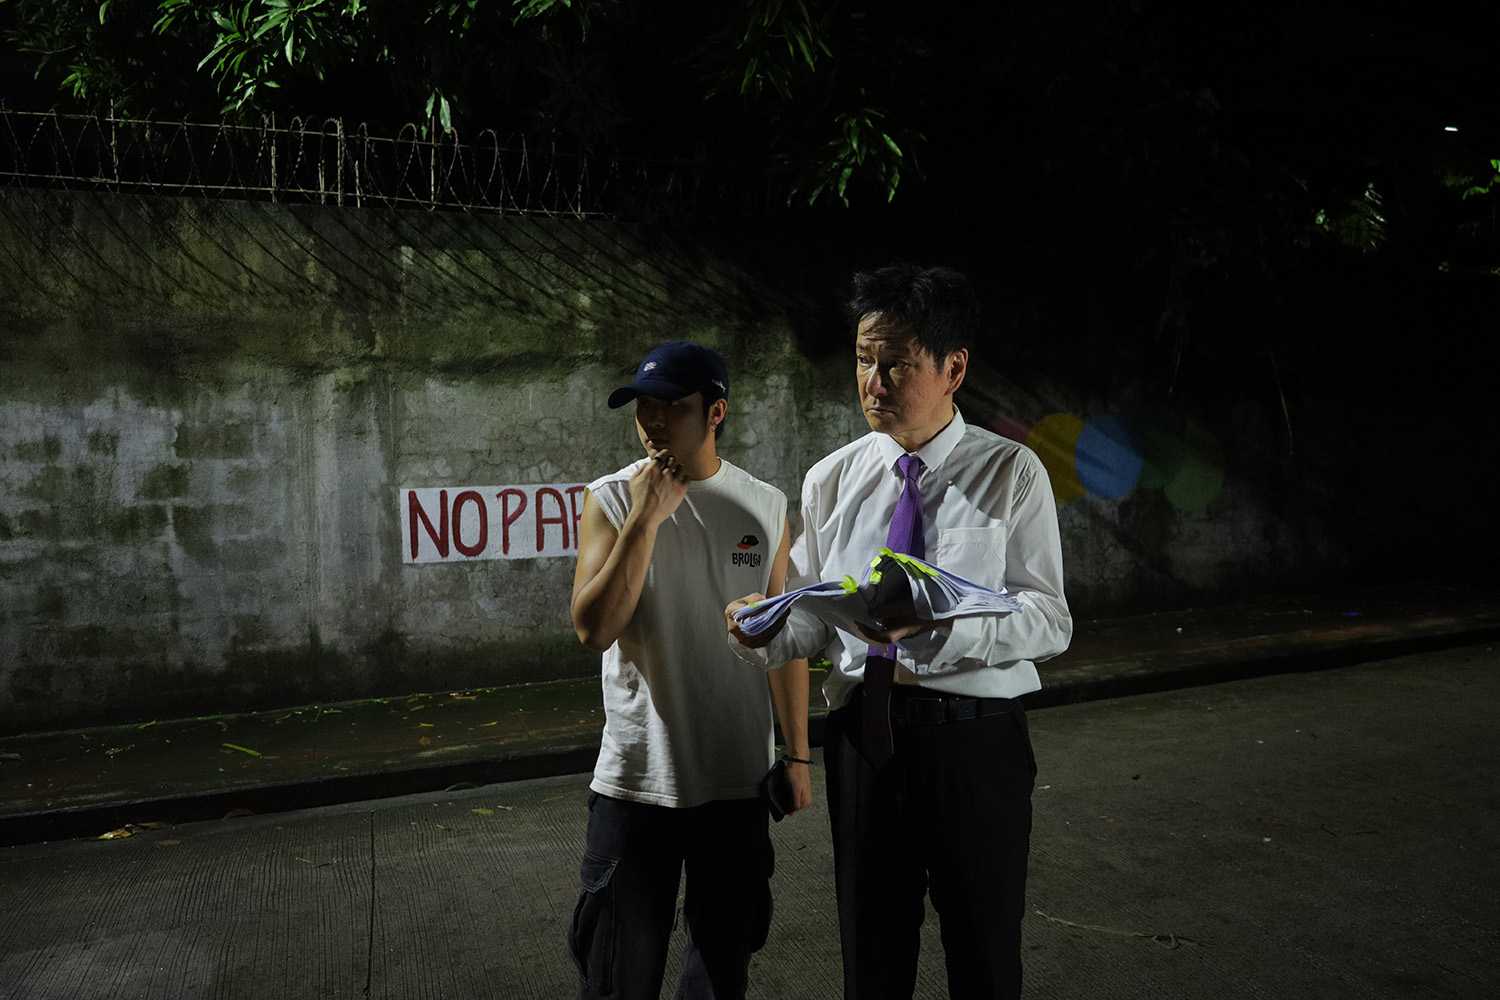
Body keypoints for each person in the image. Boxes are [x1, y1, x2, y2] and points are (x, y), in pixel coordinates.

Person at [725, 266, 1073, 1000]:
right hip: (865, 741)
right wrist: (765, 629)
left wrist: (941, 627)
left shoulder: (1009, 472)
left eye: (896, 364)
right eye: (863, 360)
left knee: (984, 956)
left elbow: (1048, 617)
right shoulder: (831, 479)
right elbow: (815, 613)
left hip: (974, 744)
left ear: (954, 369)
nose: (873, 382)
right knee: (872, 960)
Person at [567, 341, 812, 1000]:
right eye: (643, 406)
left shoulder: (764, 505)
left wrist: (797, 754)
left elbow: (786, 639)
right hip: (636, 781)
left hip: (736, 781)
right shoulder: (610, 499)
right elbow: (594, 629)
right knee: (617, 978)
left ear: (715, 413)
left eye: (673, 405)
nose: (653, 420)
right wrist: (645, 521)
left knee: (720, 975)